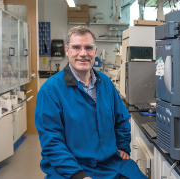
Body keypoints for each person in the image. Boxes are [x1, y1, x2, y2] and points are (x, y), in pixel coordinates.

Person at [35, 26, 147, 179]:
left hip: (110, 163)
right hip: (71, 168)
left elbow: (121, 119)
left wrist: (122, 146)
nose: (83, 53)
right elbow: (52, 141)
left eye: (88, 47)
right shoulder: (50, 91)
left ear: (95, 51)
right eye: (76, 48)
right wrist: (77, 175)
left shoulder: (105, 83)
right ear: (67, 51)